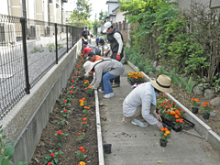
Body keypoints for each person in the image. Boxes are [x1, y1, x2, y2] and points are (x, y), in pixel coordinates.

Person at [103, 22, 124, 88]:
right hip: (113, 52)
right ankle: (111, 81)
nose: (107, 31)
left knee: (116, 67)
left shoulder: (116, 34)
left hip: (117, 52)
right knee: (111, 66)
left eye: (107, 30)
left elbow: (121, 44)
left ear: (110, 28)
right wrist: (109, 50)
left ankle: (117, 83)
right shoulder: (110, 34)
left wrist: (118, 54)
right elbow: (112, 43)